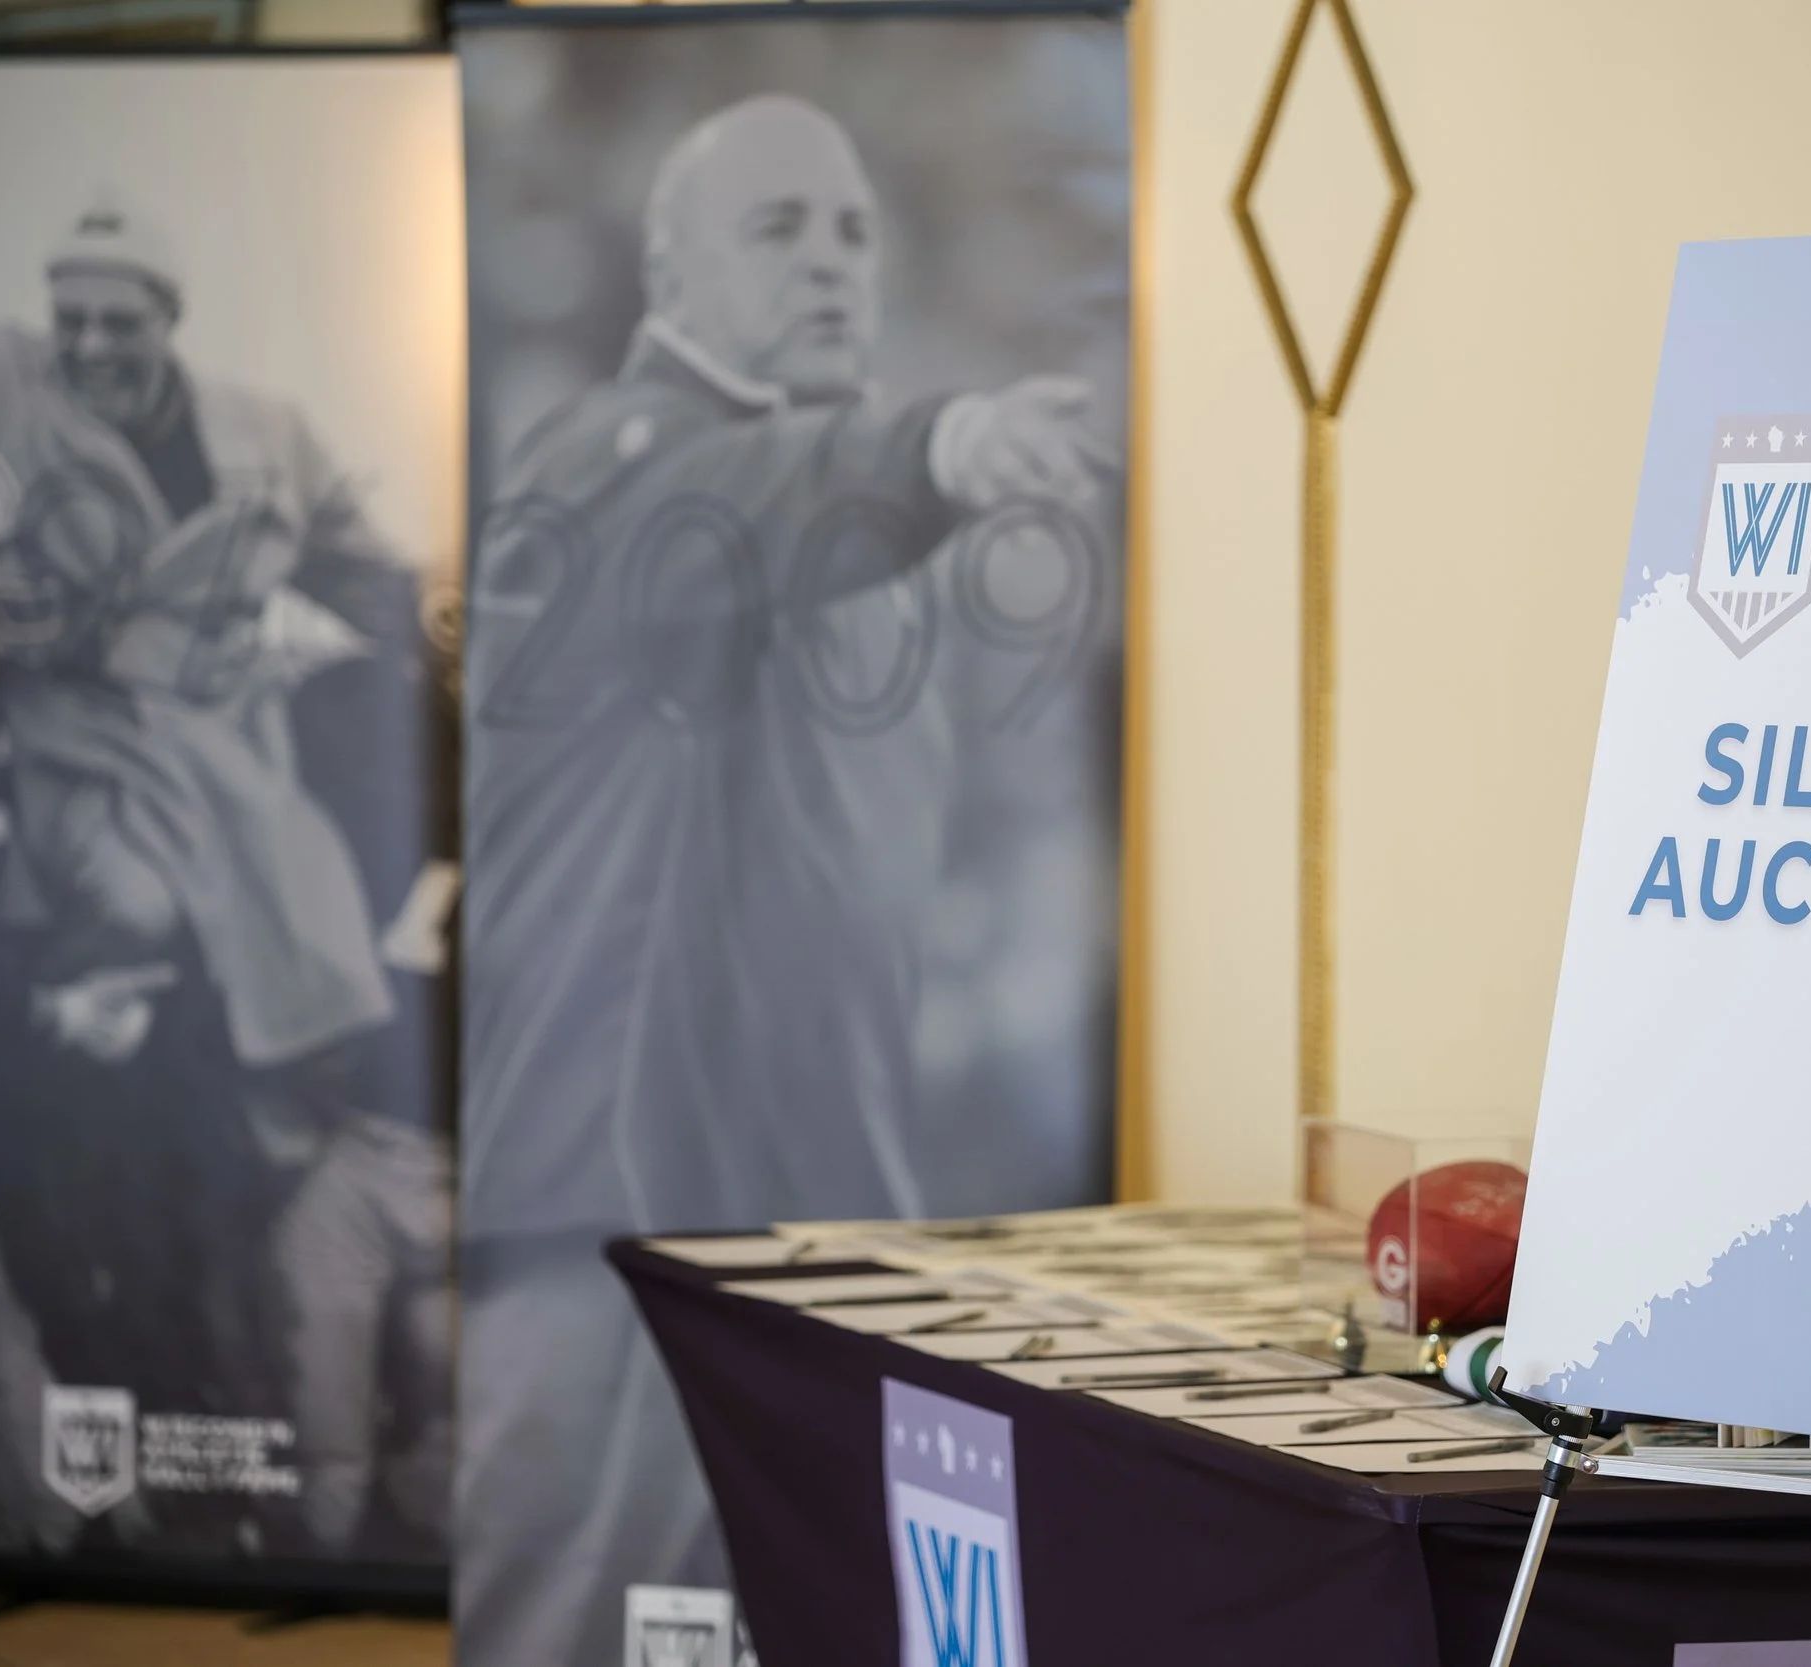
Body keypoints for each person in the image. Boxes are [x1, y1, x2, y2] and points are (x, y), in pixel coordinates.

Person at [458, 96, 1111, 1666]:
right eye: (777, 228)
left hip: (808, 1248)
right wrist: (938, 442)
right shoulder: (603, 478)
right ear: (668, 278)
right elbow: (758, 507)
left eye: (854, 231)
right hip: (619, 1246)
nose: (831, 263)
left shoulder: (880, 573)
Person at [0, 196, 452, 1562]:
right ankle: (135, 1474)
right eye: (71, 313)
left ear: (170, 319)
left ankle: (288, 1461)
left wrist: (341, 644)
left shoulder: (264, 425)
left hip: (231, 796)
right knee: (115, 1104)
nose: (90, 340)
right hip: (81, 808)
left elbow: (370, 572)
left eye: (120, 317)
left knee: (266, 1087)